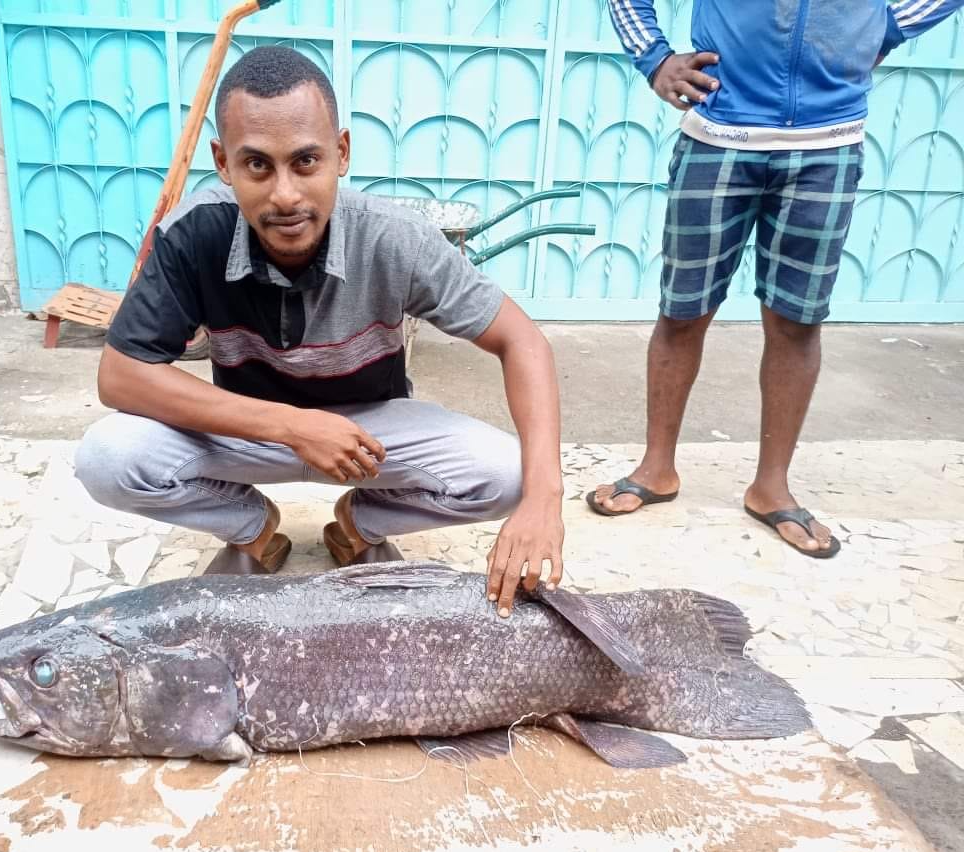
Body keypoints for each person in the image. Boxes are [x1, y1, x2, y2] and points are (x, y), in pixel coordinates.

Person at [75, 46, 565, 617]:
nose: (285, 195)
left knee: (508, 474)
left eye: (306, 161)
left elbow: (521, 339)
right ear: (223, 162)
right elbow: (121, 376)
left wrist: (544, 499)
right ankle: (253, 529)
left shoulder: (394, 238)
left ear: (341, 153)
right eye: (257, 164)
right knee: (107, 457)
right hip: (250, 429)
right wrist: (292, 426)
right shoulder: (193, 234)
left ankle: (359, 525)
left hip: (370, 438)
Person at [589, 0, 963, 557]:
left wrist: (888, 23)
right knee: (682, 312)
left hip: (828, 146)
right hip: (718, 140)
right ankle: (657, 469)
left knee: (797, 321)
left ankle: (771, 488)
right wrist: (654, 57)